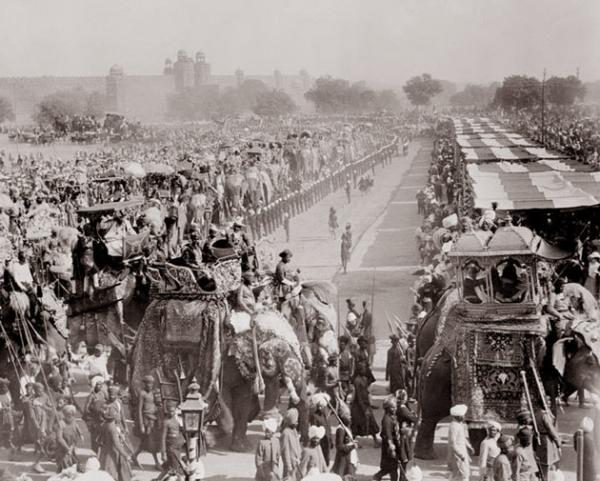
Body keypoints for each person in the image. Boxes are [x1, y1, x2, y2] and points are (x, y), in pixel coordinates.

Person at [132, 375, 161, 470]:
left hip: (153, 419)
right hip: (146, 420)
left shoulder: (153, 393)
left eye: (151, 384)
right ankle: (157, 462)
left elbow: (155, 404)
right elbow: (139, 410)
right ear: (144, 384)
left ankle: (134, 456)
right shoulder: (142, 393)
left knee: (145, 441)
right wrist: (141, 425)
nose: (150, 385)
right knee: (151, 441)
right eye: (148, 383)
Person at [98, 409, 132, 481]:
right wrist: (126, 455)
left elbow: (99, 439)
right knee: (115, 473)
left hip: (105, 451)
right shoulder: (112, 428)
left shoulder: (104, 424)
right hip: (113, 453)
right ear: (114, 417)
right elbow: (117, 444)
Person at [350, 362, 379, 446]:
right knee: (356, 424)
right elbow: (359, 396)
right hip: (359, 405)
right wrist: (364, 408)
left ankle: (376, 440)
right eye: (363, 369)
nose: (365, 370)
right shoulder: (357, 381)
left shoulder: (364, 379)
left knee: (371, 423)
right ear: (359, 371)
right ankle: (353, 441)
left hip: (365, 403)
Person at [373, 396, 401, 481]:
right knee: (392, 466)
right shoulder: (387, 420)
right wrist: (391, 446)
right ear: (388, 408)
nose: (395, 409)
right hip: (389, 446)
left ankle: (378, 476)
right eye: (393, 407)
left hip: (394, 443)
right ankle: (378, 476)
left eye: (395, 407)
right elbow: (388, 435)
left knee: (391, 466)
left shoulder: (393, 416)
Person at [533, 405, 561, 479]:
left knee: (541, 463)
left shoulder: (536, 414)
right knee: (548, 464)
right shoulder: (544, 415)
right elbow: (551, 429)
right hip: (547, 440)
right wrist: (558, 442)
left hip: (539, 439)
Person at [159, 401, 185, 479]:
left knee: (168, 467)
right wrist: (163, 453)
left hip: (177, 447)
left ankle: (158, 479)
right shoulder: (166, 422)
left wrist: (182, 440)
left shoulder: (177, 420)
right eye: (170, 411)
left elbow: (180, 432)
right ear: (167, 411)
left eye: (173, 411)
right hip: (171, 448)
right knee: (175, 469)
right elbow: (162, 438)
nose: (171, 413)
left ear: (176, 410)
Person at [447, 404, 473, 481]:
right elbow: (453, 443)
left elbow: (462, 438)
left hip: (462, 453)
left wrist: (469, 446)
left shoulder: (459, 425)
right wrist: (461, 455)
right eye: (463, 415)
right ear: (458, 416)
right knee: (462, 475)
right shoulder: (454, 426)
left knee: (463, 474)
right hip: (457, 456)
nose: (464, 417)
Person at [55, 404, 83, 472]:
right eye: (68, 415)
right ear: (64, 415)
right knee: (64, 465)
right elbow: (59, 438)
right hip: (62, 448)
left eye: (72, 414)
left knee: (74, 463)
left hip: (71, 445)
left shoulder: (73, 421)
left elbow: (77, 427)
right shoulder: (61, 423)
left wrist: (81, 434)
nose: (70, 416)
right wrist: (67, 448)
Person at [83, 376, 107, 453]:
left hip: (102, 419)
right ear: (94, 385)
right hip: (94, 420)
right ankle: (94, 452)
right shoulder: (91, 396)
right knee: (94, 438)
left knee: (103, 438)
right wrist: (93, 413)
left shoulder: (103, 394)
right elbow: (86, 409)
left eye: (100, 384)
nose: (99, 386)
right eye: (97, 384)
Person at [309, 393, 333, 466]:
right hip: (320, 441)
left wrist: (331, 439)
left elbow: (329, 428)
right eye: (319, 406)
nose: (320, 408)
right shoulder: (314, 416)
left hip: (327, 440)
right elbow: (314, 429)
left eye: (322, 406)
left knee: (327, 458)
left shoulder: (326, 416)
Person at [281, 408, 302, 481]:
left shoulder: (294, 430)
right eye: (295, 421)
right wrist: (288, 466)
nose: (297, 423)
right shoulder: (286, 433)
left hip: (296, 463)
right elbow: (285, 451)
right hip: (290, 465)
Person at [574, 417, 598, 481]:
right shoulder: (589, 439)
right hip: (590, 470)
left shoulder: (577, 435)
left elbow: (576, 448)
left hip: (584, 467)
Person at [0, 377, 15, 450]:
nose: (4, 388)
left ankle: (9, 441)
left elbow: (12, 403)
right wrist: (4, 408)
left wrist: (10, 406)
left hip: (9, 413)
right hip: (2, 414)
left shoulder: (8, 394)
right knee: (2, 428)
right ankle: (2, 443)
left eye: (5, 387)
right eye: (3, 387)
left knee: (11, 428)